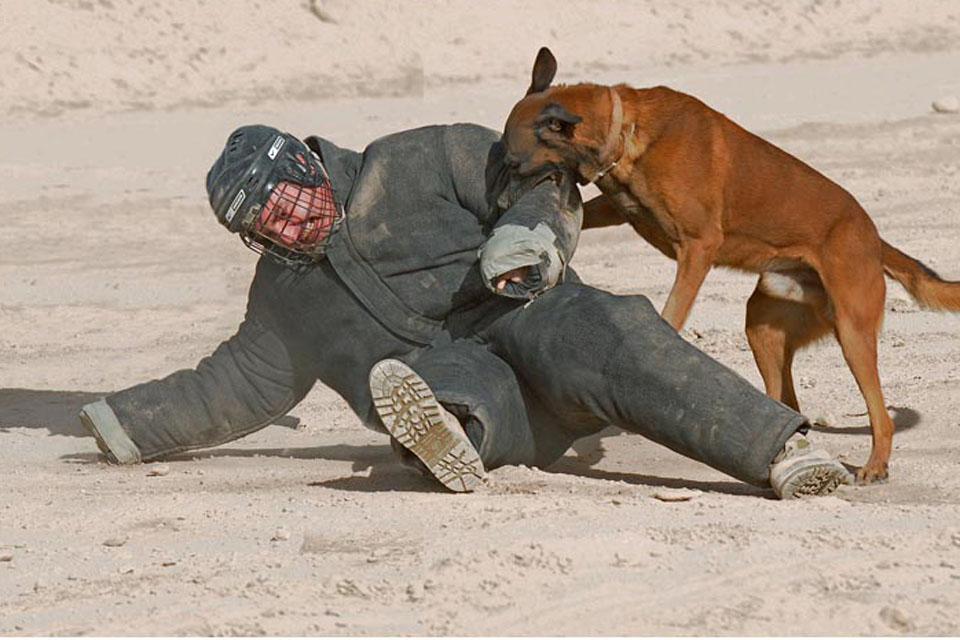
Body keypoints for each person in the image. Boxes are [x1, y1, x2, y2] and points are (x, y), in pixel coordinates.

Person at [79, 123, 851, 498]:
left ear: (307, 166)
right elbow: (227, 389)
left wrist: (528, 238)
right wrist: (124, 425)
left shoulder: (413, 160)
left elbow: (536, 177)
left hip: (527, 313)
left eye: (283, 203)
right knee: (438, 387)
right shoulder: (284, 301)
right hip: (498, 406)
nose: (284, 226)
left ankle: (782, 452)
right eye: (262, 225)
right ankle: (445, 435)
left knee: (610, 335)